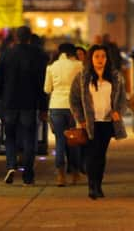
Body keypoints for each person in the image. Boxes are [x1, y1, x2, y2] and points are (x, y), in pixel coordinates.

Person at [0, 26, 48, 186]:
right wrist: (43, 108)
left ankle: (11, 165)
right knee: (29, 138)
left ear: (15, 37)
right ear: (29, 37)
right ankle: (28, 175)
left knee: (10, 137)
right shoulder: (39, 55)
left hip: (9, 103)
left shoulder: (6, 55)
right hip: (29, 103)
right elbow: (42, 84)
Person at [69, 44, 127, 200]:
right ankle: (92, 186)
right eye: (97, 56)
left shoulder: (115, 77)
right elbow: (74, 100)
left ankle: (98, 184)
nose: (100, 60)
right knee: (91, 154)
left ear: (107, 59)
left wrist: (118, 112)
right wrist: (80, 119)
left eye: (103, 56)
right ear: (91, 58)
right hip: (90, 123)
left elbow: (122, 99)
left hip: (107, 122)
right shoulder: (82, 77)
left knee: (101, 155)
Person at [44, 43, 83, 186]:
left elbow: (47, 89)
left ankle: (60, 175)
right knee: (73, 141)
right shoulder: (79, 65)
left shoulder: (51, 67)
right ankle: (75, 173)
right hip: (73, 107)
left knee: (60, 141)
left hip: (56, 106)